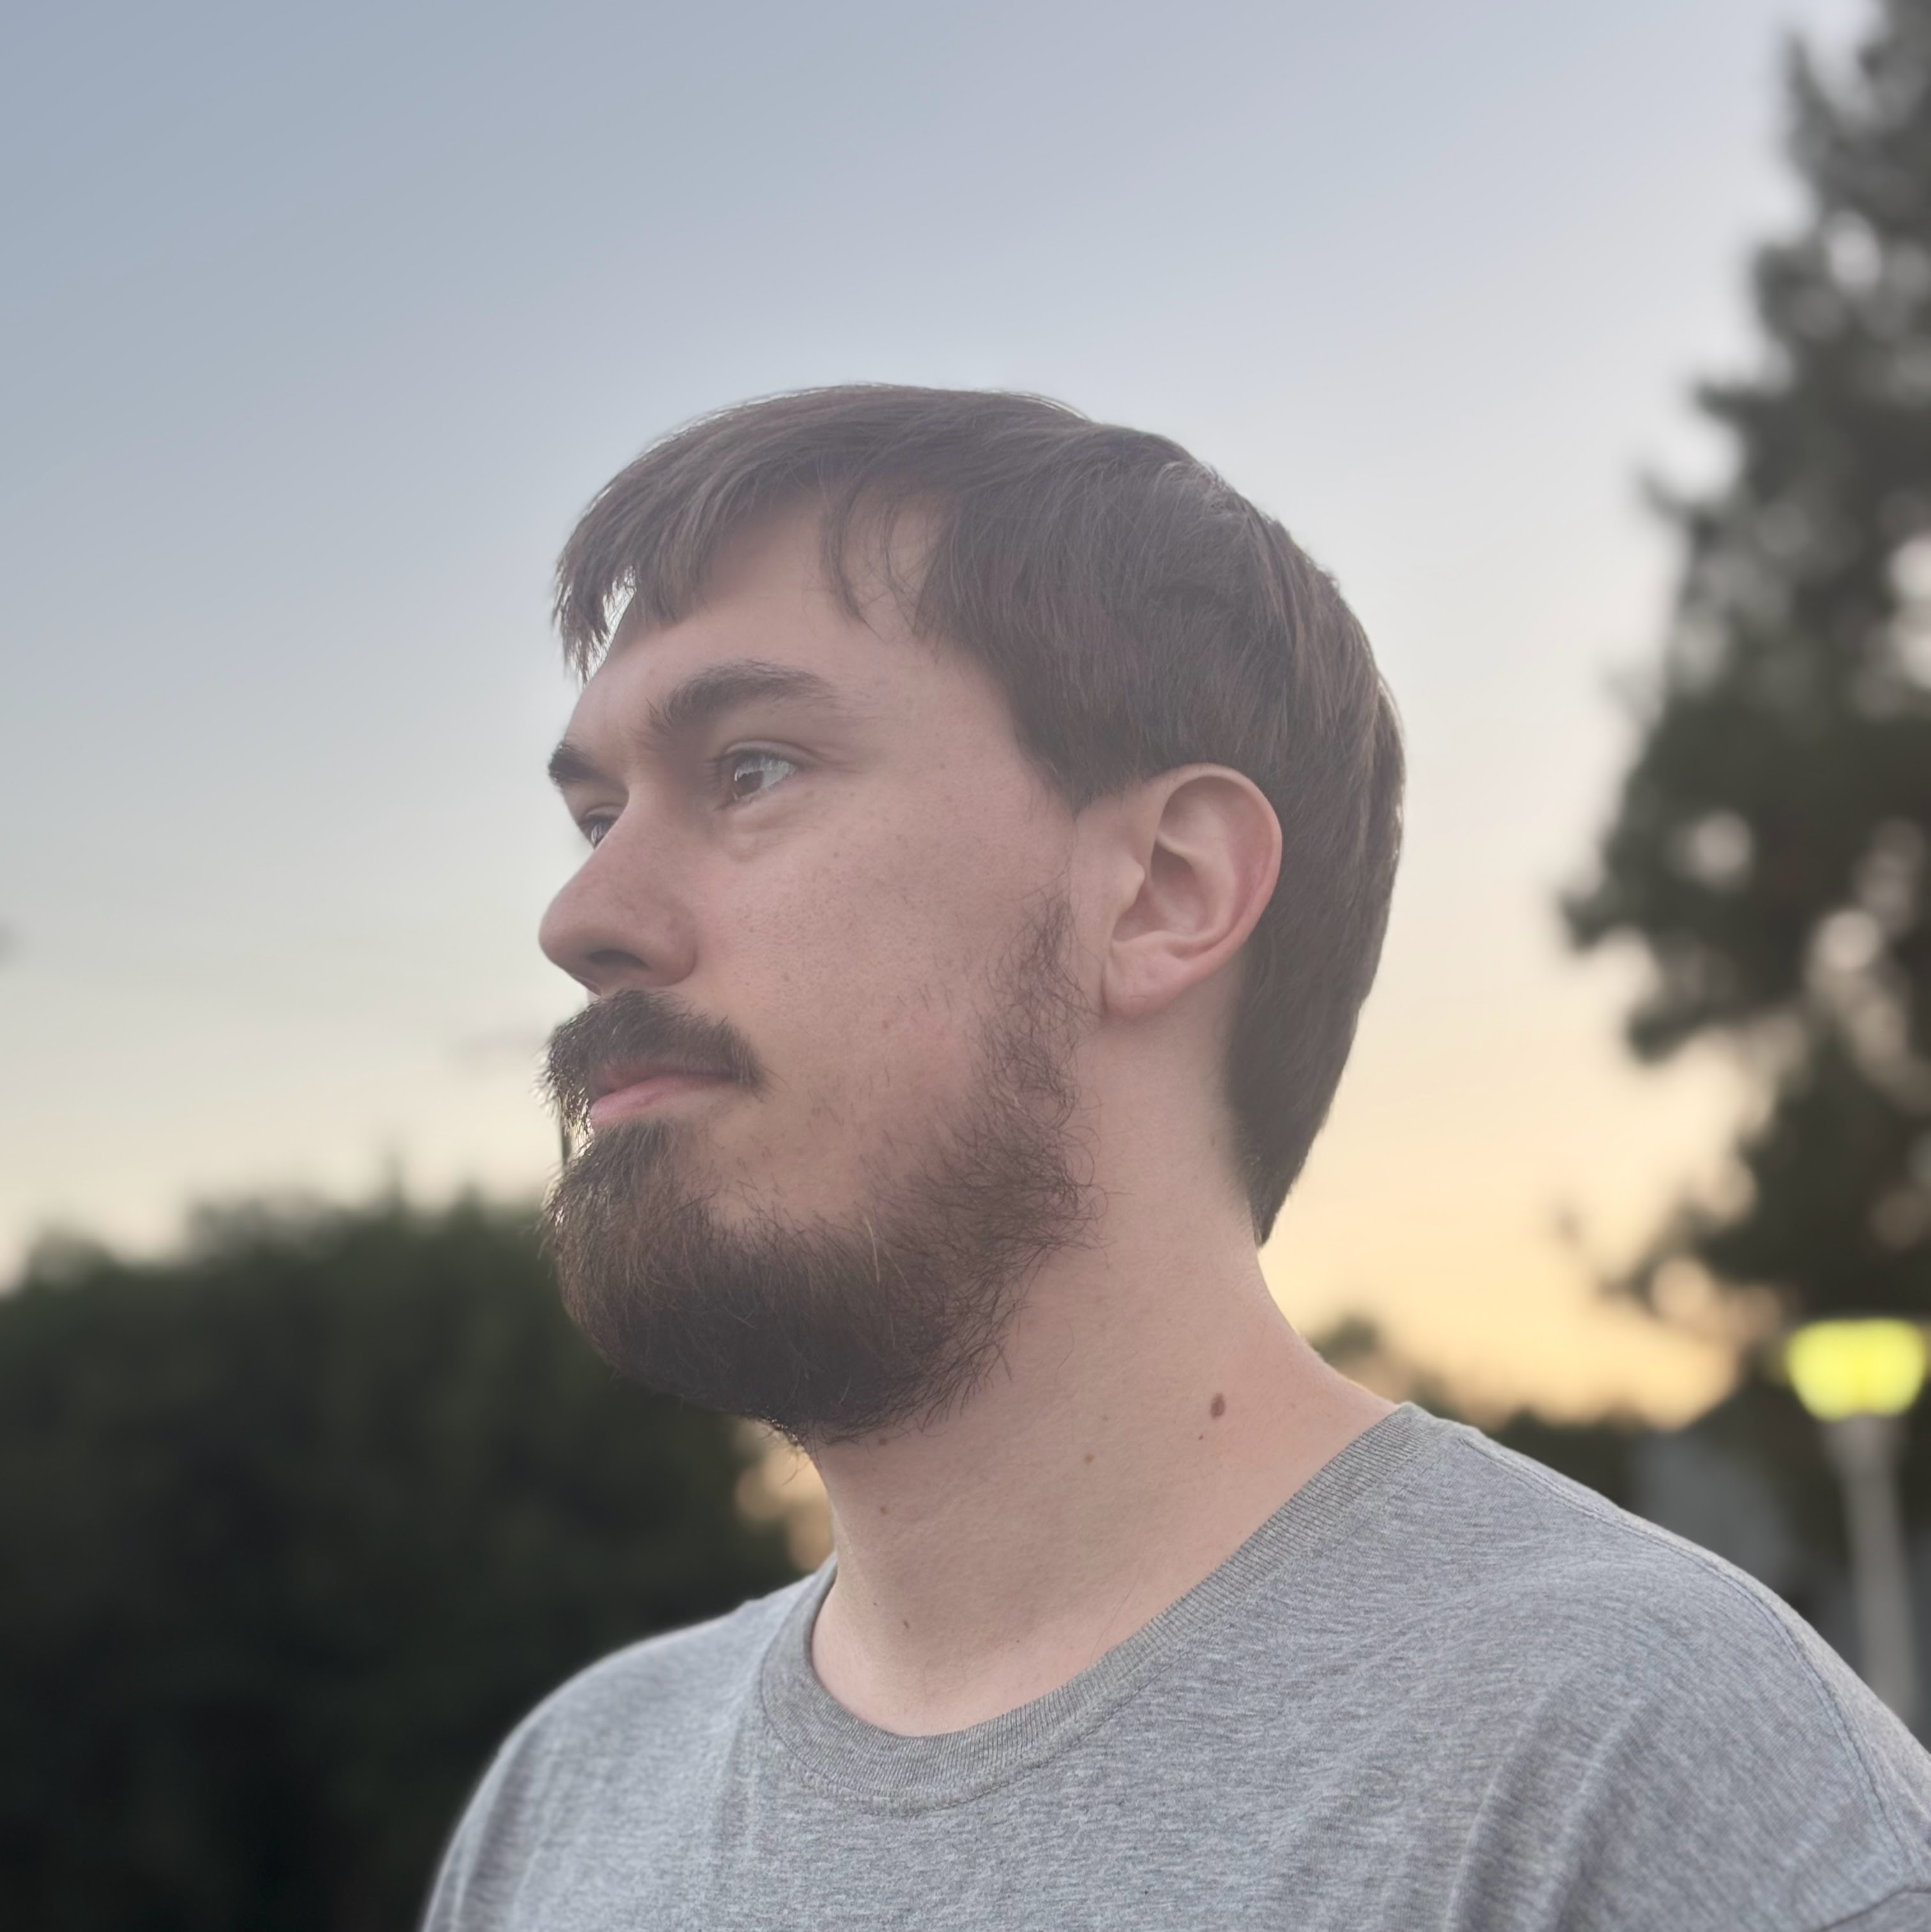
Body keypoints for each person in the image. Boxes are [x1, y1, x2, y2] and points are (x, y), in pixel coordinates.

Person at [424, 386, 1931, 1930]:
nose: (581, 920)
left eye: (751, 769)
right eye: (596, 817)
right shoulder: (571, 1797)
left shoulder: (1647, 1785)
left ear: (1163, 888)